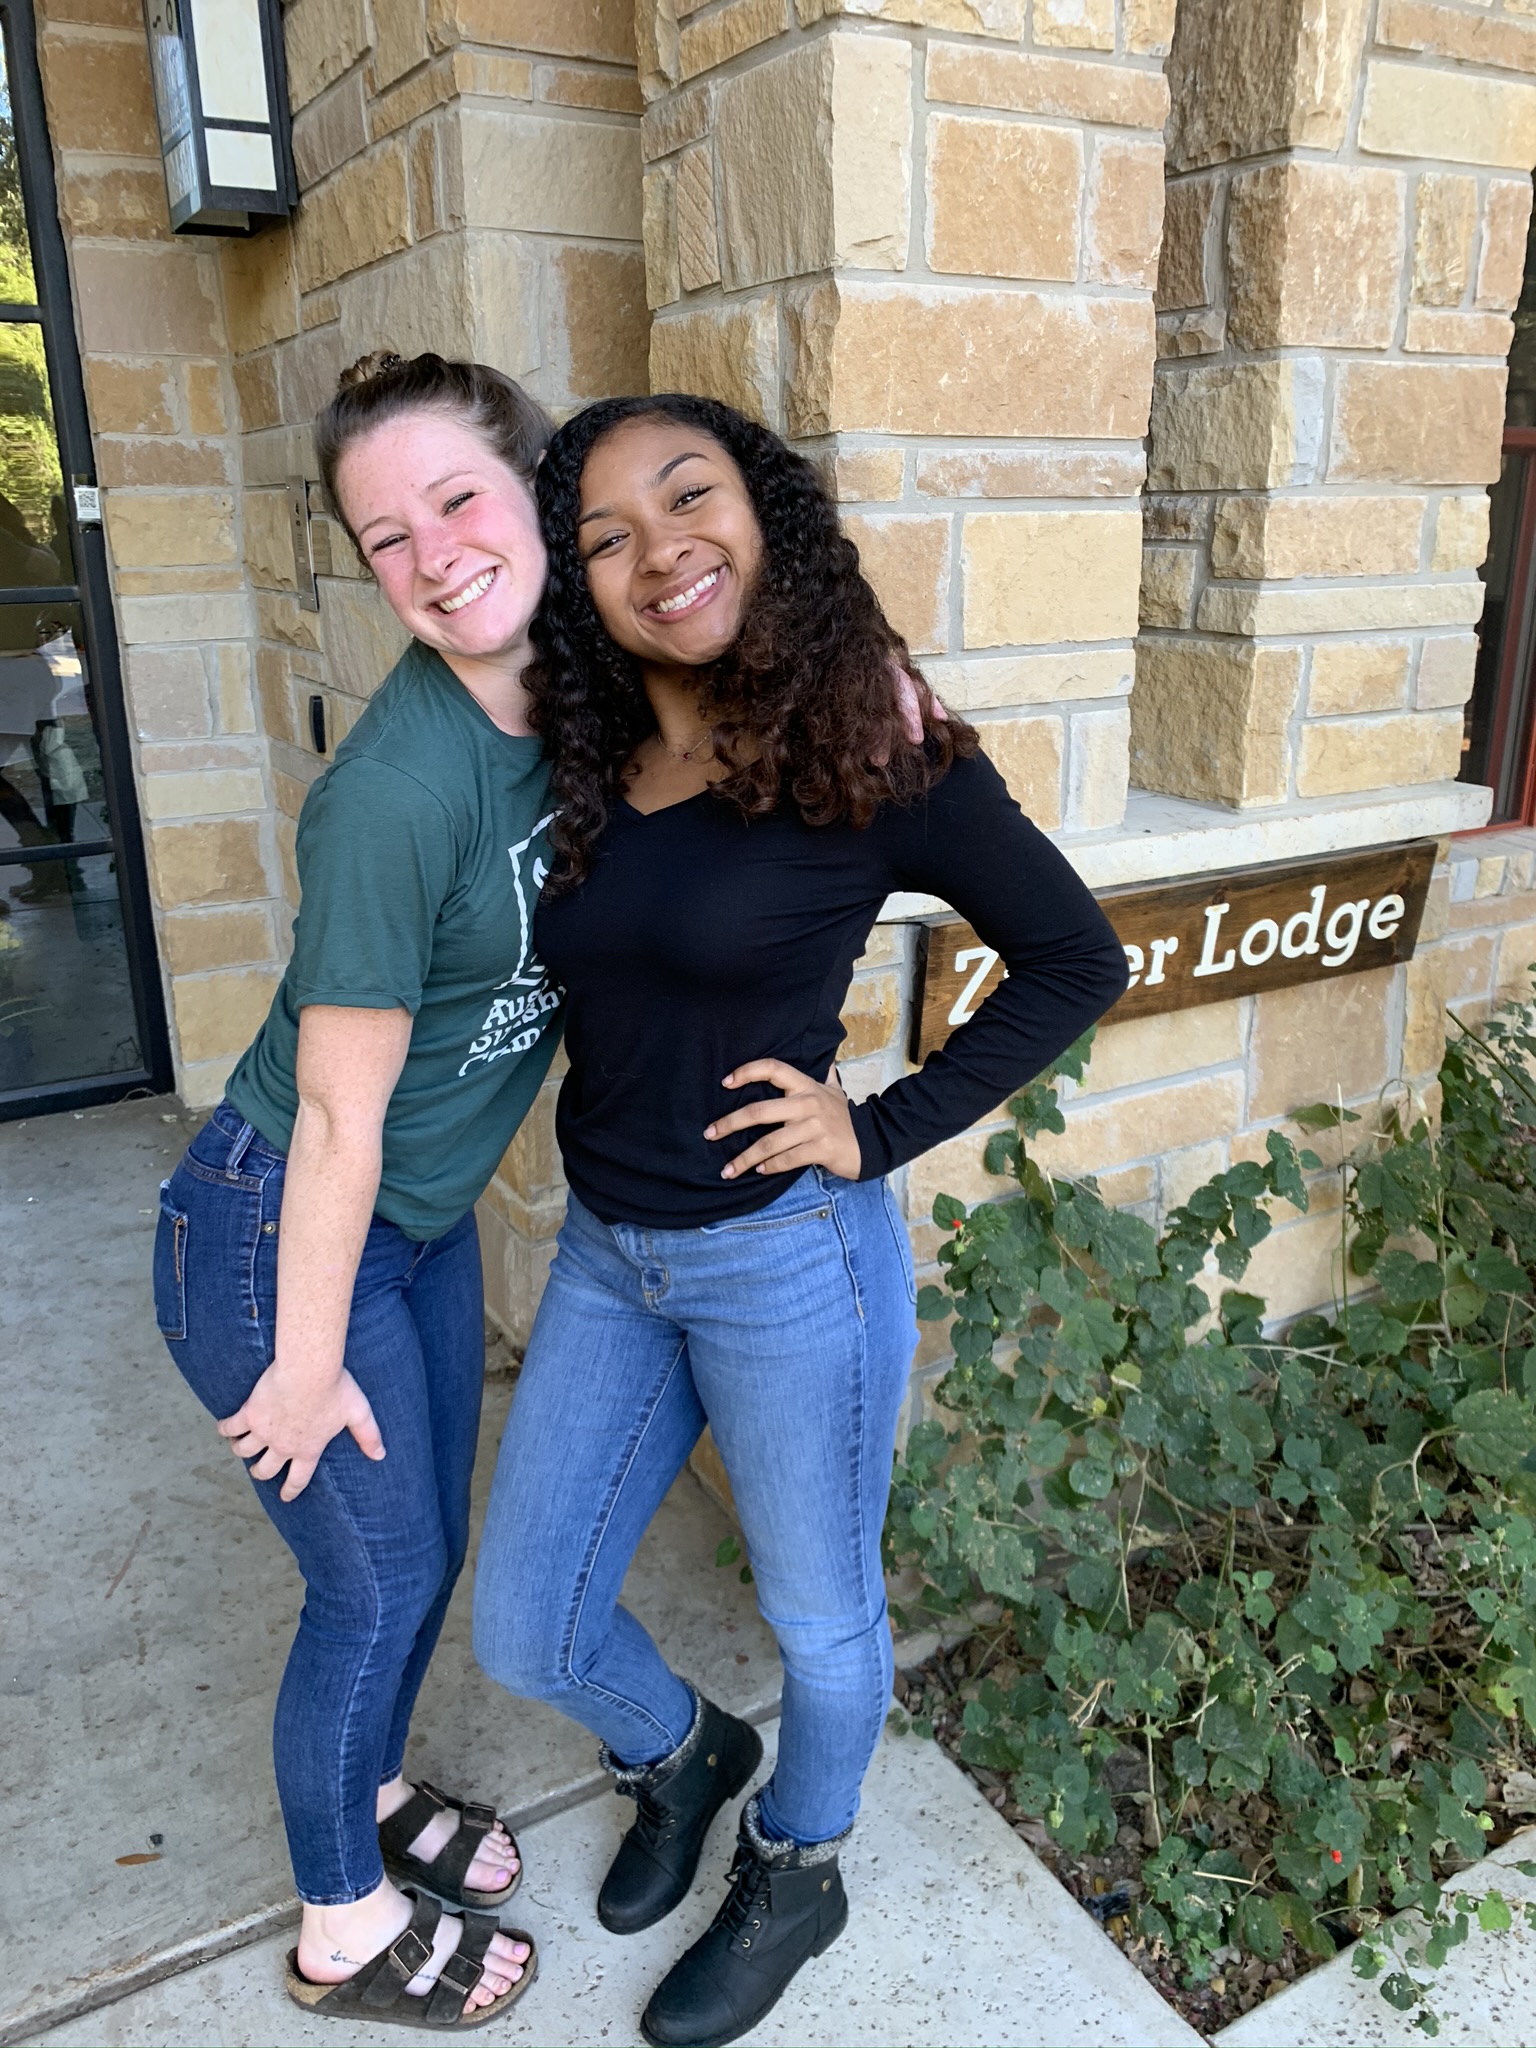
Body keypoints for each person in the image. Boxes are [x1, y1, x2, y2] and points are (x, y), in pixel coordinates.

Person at [471, 391, 1131, 2048]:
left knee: (823, 1620)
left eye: (686, 498)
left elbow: (1074, 957)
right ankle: (688, 1755)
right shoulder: (595, 748)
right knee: (528, 1618)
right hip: (612, 1257)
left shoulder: (874, 740)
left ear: (764, 514)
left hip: (785, 1265)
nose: (653, 551)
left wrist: (878, 1127)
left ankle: (800, 1863)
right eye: (603, 538)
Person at [151, 352, 561, 2031]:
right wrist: (302, 1358)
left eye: (457, 499)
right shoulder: (396, 794)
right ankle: (342, 1923)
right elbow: (332, 1113)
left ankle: (377, 1793)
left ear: (538, 490)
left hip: (416, 1223)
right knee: (373, 1581)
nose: (436, 554)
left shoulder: (574, 704)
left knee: (428, 1545)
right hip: (281, 1235)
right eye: (387, 538)